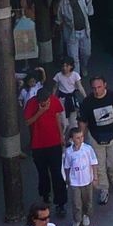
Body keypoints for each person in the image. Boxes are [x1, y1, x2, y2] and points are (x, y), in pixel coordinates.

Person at [78, 76, 113, 205]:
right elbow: (82, 122)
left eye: (99, 87)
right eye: (94, 88)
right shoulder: (87, 102)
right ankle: (104, 190)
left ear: (105, 85)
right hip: (95, 137)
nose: (97, 91)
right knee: (99, 166)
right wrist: (81, 140)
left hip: (112, 134)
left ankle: (112, 175)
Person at [26, 80, 68, 218]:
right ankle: (45, 195)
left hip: (54, 142)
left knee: (56, 172)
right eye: (42, 102)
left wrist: (61, 135)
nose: (45, 104)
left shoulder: (54, 100)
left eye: (46, 101)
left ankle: (60, 203)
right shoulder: (31, 104)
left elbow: (57, 116)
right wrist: (40, 111)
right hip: (38, 144)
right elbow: (27, 122)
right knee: (42, 172)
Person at [63, 127, 98, 226]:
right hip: (75, 182)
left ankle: (86, 215)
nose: (80, 139)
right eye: (77, 138)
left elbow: (94, 163)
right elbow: (67, 166)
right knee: (76, 203)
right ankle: (77, 220)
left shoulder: (87, 149)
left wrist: (95, 178)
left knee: (88, 200)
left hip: (87, 180)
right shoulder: (69, 152)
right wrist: (67, 178)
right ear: (71, 139)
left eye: (82, 137)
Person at [56, 0, 95, 72]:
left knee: (86, 53)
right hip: (71, 34)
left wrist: (89, 13)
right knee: (73, 58)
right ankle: (77, 78)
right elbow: (59, 19)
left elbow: (89, 3)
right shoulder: (62, 3)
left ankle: (83, 67)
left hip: (84, 31)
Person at [56, 59, 83, 129]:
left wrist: (86, 97)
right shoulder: (58, 75)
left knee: (73, 121)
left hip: (71, 98)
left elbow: (80, 87)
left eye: (67, 66)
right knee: (63, 121)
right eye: (63, 66)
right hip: (62, 99)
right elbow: (55, 87)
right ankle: (63, 137)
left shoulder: (75, 75)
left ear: (71, 66)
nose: (64, 68)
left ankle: (72, 137)